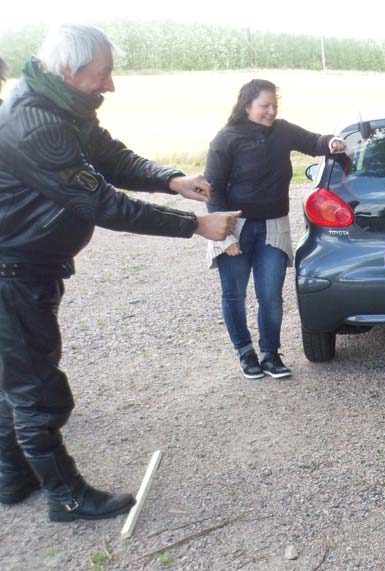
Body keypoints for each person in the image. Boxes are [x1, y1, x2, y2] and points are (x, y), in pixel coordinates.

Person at [0, 24, 241, 522]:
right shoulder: (36, 123)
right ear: (70, 69)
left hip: (25, 264)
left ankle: (13, 475)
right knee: (38, 390)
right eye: (103, 73)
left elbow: (108, 155)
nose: (110, 85)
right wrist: (193, 226)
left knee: (19, 376)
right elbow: (101, 202)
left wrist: (170, 179)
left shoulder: (61, 105)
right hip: (12, 271)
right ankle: (65, 497)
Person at [205, 79, 345, 379]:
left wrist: (332, 141)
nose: (270, 112)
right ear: (246, 106)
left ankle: (270, 354)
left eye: (274, 106)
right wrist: (224, 235)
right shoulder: (226, 138)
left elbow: (313, 142)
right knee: (234, 295)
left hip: (273, 226)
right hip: (234, 227)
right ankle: (245, 352)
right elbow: (213, 188)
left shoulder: (282, 131)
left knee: (271, 295)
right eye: (263, 106)